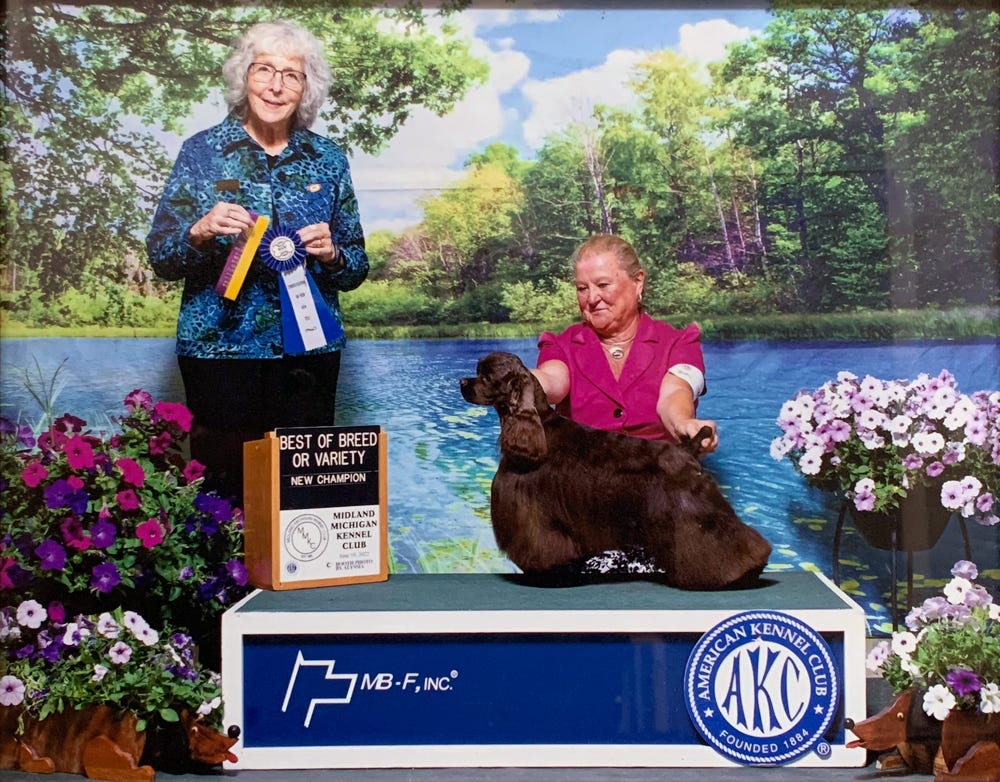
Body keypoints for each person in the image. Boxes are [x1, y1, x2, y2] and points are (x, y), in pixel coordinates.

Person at [146, 20, 368, 503]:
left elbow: (356, 268)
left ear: (306, 88)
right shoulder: (201, 153)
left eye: (292, 74)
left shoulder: (328, 160)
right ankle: (228, 583)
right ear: (243, 77)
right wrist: (200, 231)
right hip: (219, 351)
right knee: (222, 494)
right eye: (264, 69)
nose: (275, 85)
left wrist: (333, 254)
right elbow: (161, 256)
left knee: (305, 497)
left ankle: (300, 580)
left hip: (308, 353)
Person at [532, 233, 718, 454]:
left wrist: (683, 423)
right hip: (581, 478)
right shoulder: (559, 345)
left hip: (659, 477)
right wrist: (518, 380)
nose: (591, 298)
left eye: (603, 284)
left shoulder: (680, 342)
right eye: (582, 288)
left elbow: (675, 393)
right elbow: (552, 381)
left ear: (638, 281)